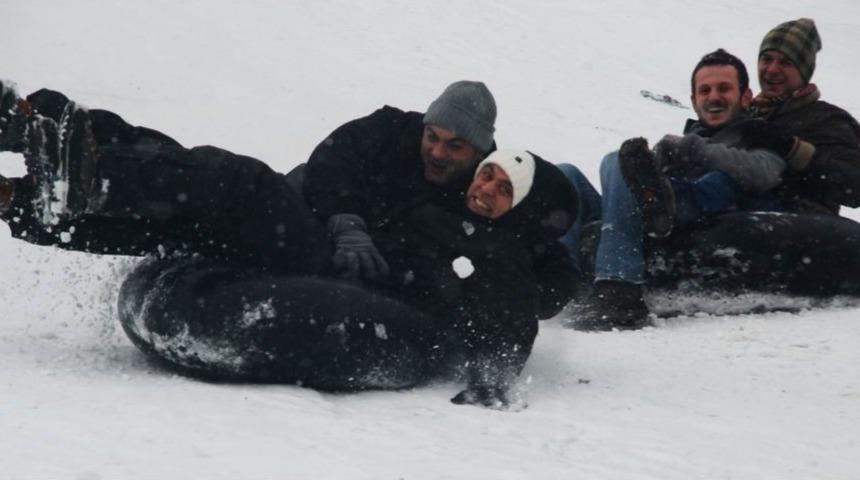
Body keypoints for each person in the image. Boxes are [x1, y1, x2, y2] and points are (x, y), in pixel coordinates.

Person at [0, 80, 578, 409]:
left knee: (237, 183)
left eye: (458, 148)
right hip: (319, 226)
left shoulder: (489, 239)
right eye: (435, 137)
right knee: (191, 199)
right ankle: (36, 156)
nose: (440, 153)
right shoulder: (394, 134)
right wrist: (347, 219)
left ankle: (86, 180)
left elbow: (514, 304)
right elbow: (333, 162)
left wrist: (494, 377)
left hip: (329, 268)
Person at [567, 49, 796, 331]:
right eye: (705, 90)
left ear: (746, 96)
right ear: (694, 100)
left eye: (724, 89)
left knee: (621, 162)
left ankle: (620, 290)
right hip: (653, 212)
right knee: (569, 175)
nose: (713, 97)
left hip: (703, 215)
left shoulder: (758, 135)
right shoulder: (685, 143)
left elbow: (765, 172)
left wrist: (692, 150)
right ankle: (557, 285)